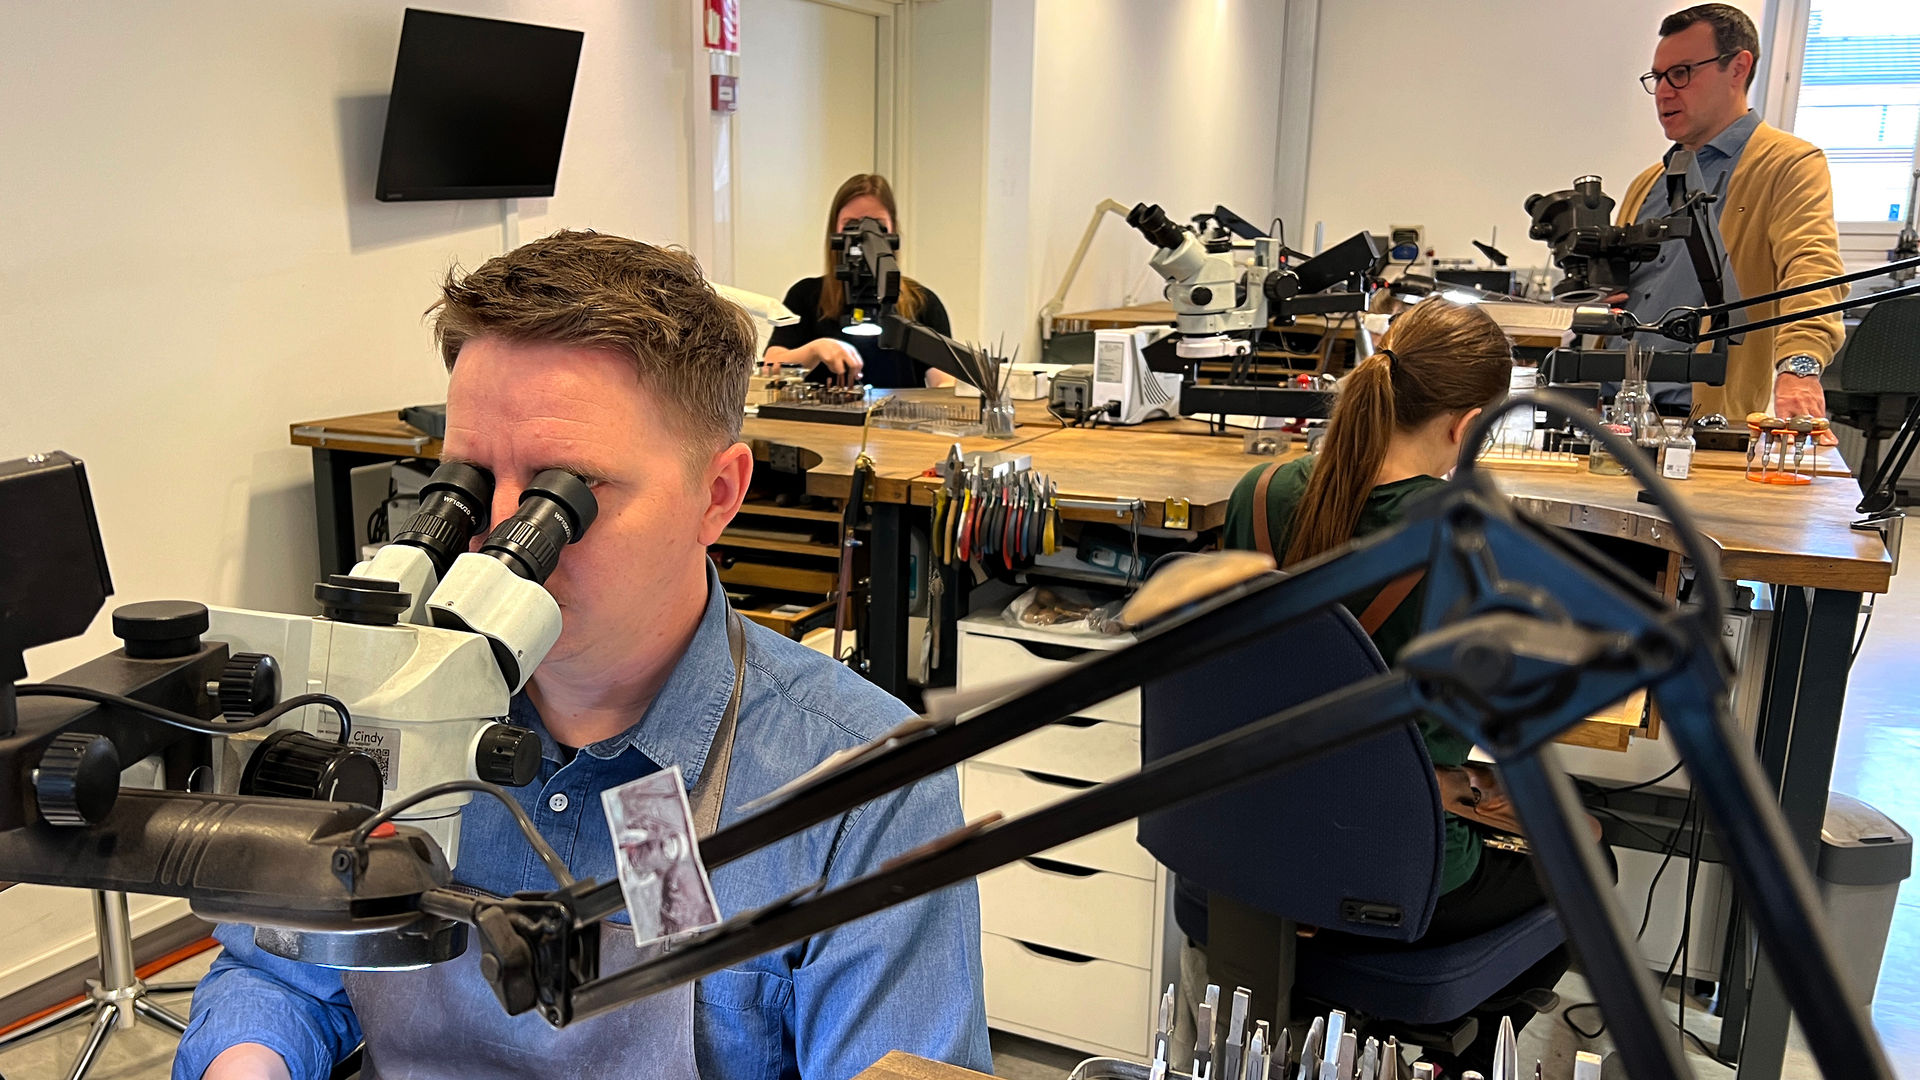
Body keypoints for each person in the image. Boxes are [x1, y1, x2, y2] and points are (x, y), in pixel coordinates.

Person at [176, 232, 991, 1080]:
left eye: (563, 489)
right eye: (467, 480)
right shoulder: (383, 712)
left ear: (717, 494)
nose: (497, 536)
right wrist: (249, 1062)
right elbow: (280, 972)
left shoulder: (863, 792)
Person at [1210, 299, 1587, 1073]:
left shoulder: (1258, 491)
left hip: (1252, 849)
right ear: (1468, 425)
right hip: (1396, 869)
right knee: (1591, 866)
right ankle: (1452, 1058)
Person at [1613, 3, 1846, 428]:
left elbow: (1812, 270)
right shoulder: (1647, 183)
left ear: (1738, 68)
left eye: (1680, 73)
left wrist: (1800, 365)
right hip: (1611, 410)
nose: (1664, 92)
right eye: (1658, 77)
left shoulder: (1788, 165)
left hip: (1698, 422)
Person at [763, 173, 956, 388]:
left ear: (892, 233)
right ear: (835, 233)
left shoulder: (922, 303)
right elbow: (770, 367)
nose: (863, 237)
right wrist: (815, 350)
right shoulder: (805, 296)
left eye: (877, 226)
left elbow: (945, 382)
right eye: (851, 225)